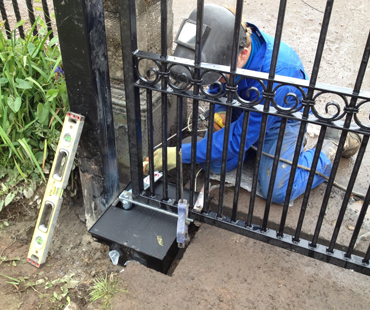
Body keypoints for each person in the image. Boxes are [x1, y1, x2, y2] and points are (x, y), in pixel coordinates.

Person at [145, 4, 361, 204]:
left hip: (281, 118)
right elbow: (218, 86)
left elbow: (238, 136)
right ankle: (254, 148)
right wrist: (220, 112)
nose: (217, 80)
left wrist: (181, 153)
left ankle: (332, 145)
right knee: (215, 163)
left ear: (244, 54)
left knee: (277, 190)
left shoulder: (279, 75)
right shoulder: (227, 50)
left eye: (219, 75)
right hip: (244, 106)